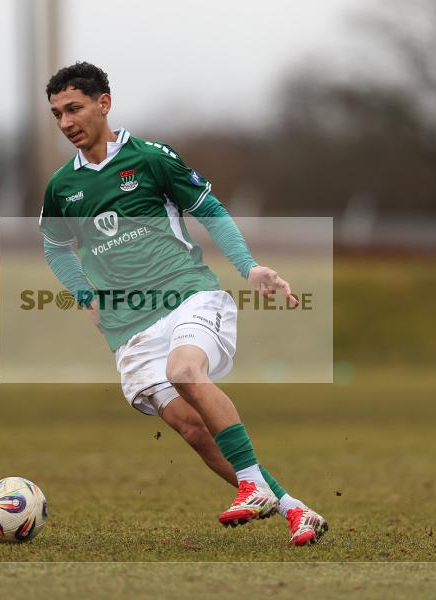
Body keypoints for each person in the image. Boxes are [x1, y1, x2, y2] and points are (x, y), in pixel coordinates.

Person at [39, 62, 328, 546]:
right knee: (194, 430)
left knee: (185, 371)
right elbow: (54, 245)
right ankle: (294, 509)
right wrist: (85, 295)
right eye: (57, 114)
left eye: (74, 108)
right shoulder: (62, 187)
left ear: (103, 103)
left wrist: (249, 267)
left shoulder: (151, 159)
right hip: (128, 327)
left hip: (187, 296)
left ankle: (252, 486)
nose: (66, 122)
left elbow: (208, 209)